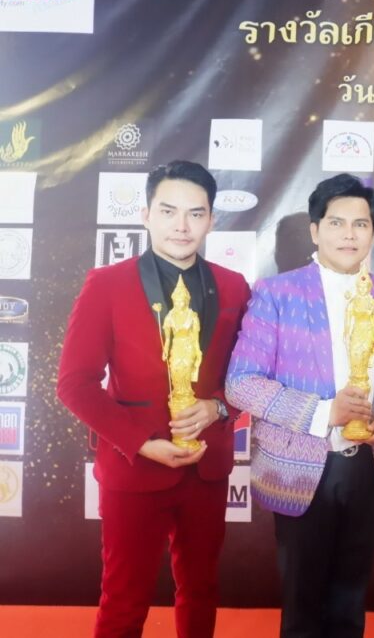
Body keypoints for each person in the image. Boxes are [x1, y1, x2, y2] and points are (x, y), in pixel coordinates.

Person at [57, 161, 250, 637]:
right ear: (145, 215)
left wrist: (218, 407)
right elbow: (75, 383)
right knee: (124, 598)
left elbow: (249, 378)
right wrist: (141, 442)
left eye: (195, 213)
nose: (181, 225)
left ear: (211, 220)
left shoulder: (234, 285)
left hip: (206, 464)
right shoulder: (106, 284)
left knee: (202, 590)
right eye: (168, 211)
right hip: (133, 465)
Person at [225, 174, 374, 638]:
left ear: (373, 232)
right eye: (336, 223)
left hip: (369, 465)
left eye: (360, 224)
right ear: (315, 230)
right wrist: (323, 412)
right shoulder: (277, 293)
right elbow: (241, 383)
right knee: (303, 606)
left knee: (350, 602)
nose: (349, 234)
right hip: (301, 467)